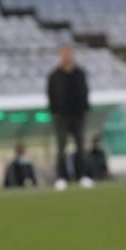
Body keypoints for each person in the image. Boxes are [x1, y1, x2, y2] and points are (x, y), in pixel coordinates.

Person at [46, 44, 93, 191]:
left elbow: (85, 91)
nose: (66, 57)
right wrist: (55, 111)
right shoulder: (55, 76)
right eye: (63, 54)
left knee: (80, 147)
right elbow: (51, 94)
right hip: (62, 117)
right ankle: (61, 177)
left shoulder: (79, 73)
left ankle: (83, 176)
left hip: (78, 115)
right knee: (62, 147)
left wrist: (84, 108)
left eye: (68, 54)